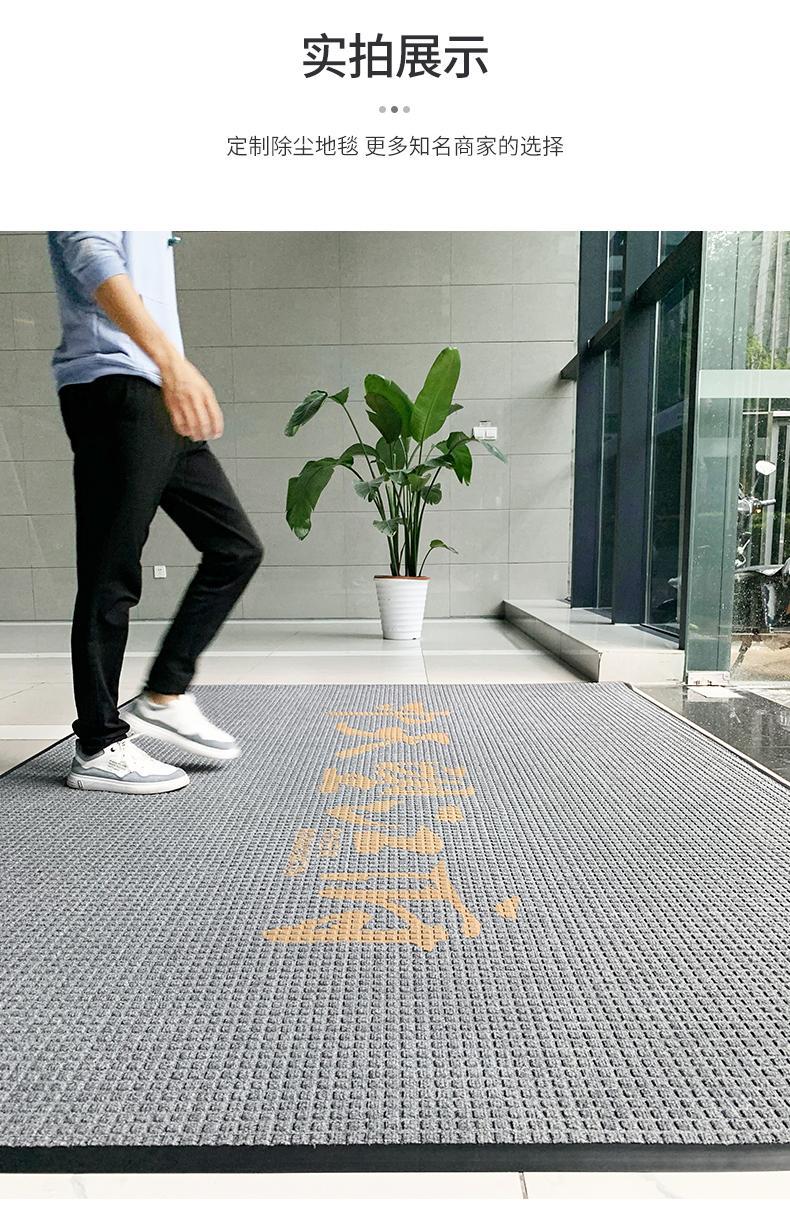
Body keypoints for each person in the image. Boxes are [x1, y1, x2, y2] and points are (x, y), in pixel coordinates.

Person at [48, 232, 264, 794]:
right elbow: (91, 254)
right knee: (110, 572)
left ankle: (165, 694)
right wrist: (172, 362)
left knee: (236, 548)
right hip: (114, 385)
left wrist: (169, 370)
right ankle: (98, 744)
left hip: (157, 389)